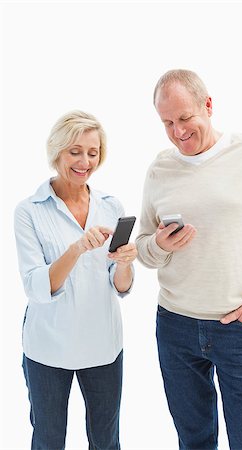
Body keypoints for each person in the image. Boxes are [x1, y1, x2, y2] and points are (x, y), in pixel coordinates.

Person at [135, 69, 242, 450]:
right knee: (194, 441)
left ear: (208, 106)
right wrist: (161, 245)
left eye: (185, 118)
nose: (177, 132)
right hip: (175, 327)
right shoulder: (160, 167)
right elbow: (142, 247)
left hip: (238, 328)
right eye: (167, 123)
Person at [14, 110, 137, 450]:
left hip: (102, 345)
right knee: (49, 440)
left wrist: (125, 262)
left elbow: (121, 285)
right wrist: (77, 248)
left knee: (106, 440)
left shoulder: (111, 206)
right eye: (75, 151)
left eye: (93, 153)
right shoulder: (30, 211)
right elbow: (36, 286)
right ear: (57, 152)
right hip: (48, 348)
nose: (85, 161)